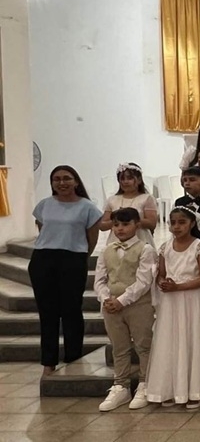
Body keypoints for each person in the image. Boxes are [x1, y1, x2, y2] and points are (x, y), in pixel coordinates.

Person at [145, 207, 200, 408]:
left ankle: (198, 388)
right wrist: (163, 282)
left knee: (194, 338)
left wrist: (178, 286)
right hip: (171, 301)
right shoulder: (165, 247)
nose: (176, 227)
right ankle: (172, 387)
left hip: (194, 298)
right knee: (172, 340)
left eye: (182, 222)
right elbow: (162, 273)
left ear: (192, 223)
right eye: (173, 223)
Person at [30, 165, 103, 376]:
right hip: (43, 259)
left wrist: (79, 257)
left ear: (76, 181)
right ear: (52, 183)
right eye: (57, 179)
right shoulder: (44, 205)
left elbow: (91, 239)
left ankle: (73, 357)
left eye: (67, 178)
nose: (62, 183)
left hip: (73, 259)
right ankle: (48, 361)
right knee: (47, 313)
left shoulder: (87, 207)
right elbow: (42, 230)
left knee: (71, 310)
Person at [94, 208, 157, 412]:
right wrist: (106, 298)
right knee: (119, 347)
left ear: (137, 225)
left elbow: (144, 281)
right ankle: (120, 385)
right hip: (111, 306)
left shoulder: (145, 249)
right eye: (116, 225)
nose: (120, 229)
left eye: (125, 224)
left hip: (138, 305)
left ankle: (145, 383)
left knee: (143, 345)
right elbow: (100, 279)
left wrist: (122, 300)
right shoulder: (106, 250)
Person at [99, 162, 158, 247]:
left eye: (130, 178)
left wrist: (132, 219)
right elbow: (103, 225)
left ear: (139, 180)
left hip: (140, 240)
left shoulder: (147, 198)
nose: (125, 182)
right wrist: (117, 221)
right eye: (122, 179)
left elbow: (152, 223)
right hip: (116, 242)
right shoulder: (112, 200)